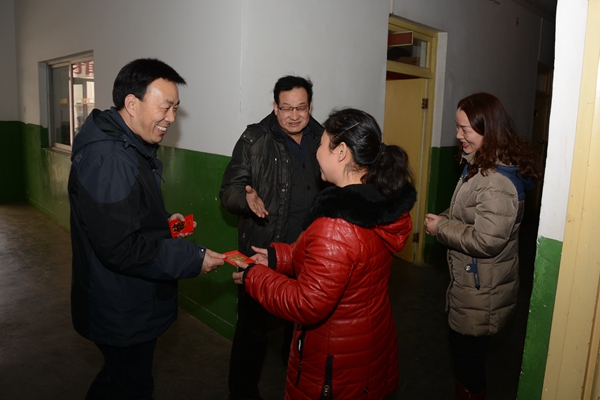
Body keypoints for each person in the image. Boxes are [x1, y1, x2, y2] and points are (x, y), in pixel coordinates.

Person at [232, 108, 417, 400]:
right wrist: (278, 258)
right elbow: (335, 263)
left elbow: (306, 303)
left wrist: (255, 276)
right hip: (368, 345)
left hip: (334, 363)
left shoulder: (336, 226)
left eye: (321, 144)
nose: (316, 152)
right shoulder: (378, 204)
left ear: (341, 152)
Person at [68, 58, 225, 399]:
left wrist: (162, 224)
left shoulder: (127, 145)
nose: (171, 117)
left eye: (176, 108)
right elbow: (120, 247)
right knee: (131, 386)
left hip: (124, 299)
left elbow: (123, 217)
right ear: (132, 103)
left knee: (117, 380)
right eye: (165, 107)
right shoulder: (110, 159)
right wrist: (192, 258)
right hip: (120, 307)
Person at [423, 92, 542, 400]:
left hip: (482, 291)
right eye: (457, 127)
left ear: (489, 129)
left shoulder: (495, 182)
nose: (458, 135)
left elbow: (487, 240)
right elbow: (470, 213)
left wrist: (441, 229)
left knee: (468, 364)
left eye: (465, 129)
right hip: (474, 285)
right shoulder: (479, 164)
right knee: (465, 356)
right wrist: (446, 217)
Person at [220, 75, 325, 400]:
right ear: (275, 107)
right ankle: (242, 392)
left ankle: (292, 374)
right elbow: (228, 191)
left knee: (300, 325)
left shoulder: (324, 138)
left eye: (301, 108)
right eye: (286, 108)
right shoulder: (254, 138)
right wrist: (244, 199)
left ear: (310, 106)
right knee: (252, 330)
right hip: (263, 252)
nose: (294, 115)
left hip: (308, 253)